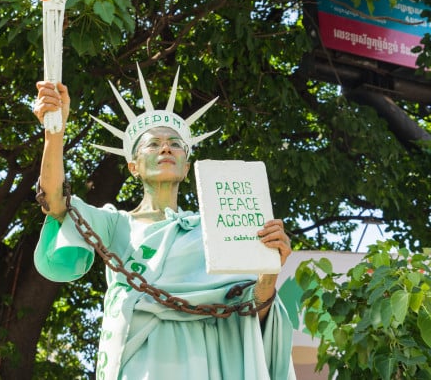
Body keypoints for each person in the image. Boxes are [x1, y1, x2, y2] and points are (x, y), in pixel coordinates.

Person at [32, 65, 296, 380]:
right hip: (143, 364)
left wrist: (268, 273)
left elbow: (253, 314)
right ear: (133, 166)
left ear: (186, 168)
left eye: (175, 143)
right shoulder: (116, 224)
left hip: (207, 361)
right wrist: (54, 131)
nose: (166, 147)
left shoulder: (217, 230)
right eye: (153, 144)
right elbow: (56, 202)